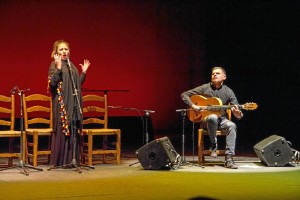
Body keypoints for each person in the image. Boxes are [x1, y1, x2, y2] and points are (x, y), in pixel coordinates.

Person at [181, 67, 243, 169]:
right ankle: (213, 145)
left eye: (217, 73)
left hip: (222, 121)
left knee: (232, 125)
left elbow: (239, 115)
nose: (214, 75)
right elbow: (184, 94)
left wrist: (237, 113)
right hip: (206, 121)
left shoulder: (228, 91)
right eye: (213, 73)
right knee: (213, 117)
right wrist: (193, 106)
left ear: (224, 77)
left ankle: (228, 159)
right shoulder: (205, 88)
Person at [48, 40, 90, 167]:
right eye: (61, 49)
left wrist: (83, 73)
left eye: (66, 49)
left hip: (73, 104)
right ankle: (61, 161)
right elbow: (52, 84)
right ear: (56, 52)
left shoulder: (72, 66)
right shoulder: (54, 65)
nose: (64, 51)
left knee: (73, 130)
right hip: (62, 104)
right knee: (63, 131)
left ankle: (72, 160)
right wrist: (59, 68)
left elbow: (75, 86)